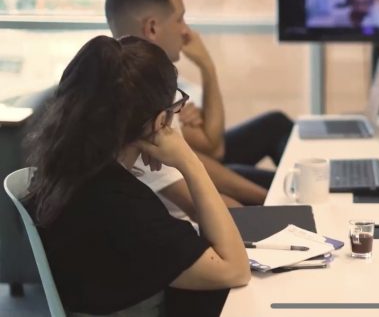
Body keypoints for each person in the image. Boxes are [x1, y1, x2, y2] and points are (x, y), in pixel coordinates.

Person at [24, 36, 250, 315]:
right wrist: (190, 163)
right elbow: (235, 270)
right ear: (160, 121)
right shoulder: (123, 205)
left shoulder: (62, 167)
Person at [105, 0, 292, 215]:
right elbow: (210, 159)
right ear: (152, 28)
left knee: (275, 132)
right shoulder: (141, 100)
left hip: (189, 201)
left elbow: (204, 153)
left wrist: (270, 199)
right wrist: (271, 203)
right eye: (180, 19)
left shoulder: (141, 81)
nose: (186, 31)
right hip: (185, 225)